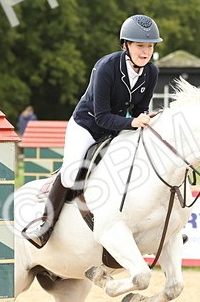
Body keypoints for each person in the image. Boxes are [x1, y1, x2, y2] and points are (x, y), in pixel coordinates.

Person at [21, 14, 161, 247]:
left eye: (149, 46)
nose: (145, 51)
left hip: (117, 129)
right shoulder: (106, 67)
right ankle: (44, 224)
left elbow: (140, 109)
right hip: (88, 126)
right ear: (126, 45)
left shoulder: (151, 72)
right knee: (70, 173)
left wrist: (145, 119)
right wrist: (133, 123)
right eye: (140, 46)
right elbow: (102, 116)